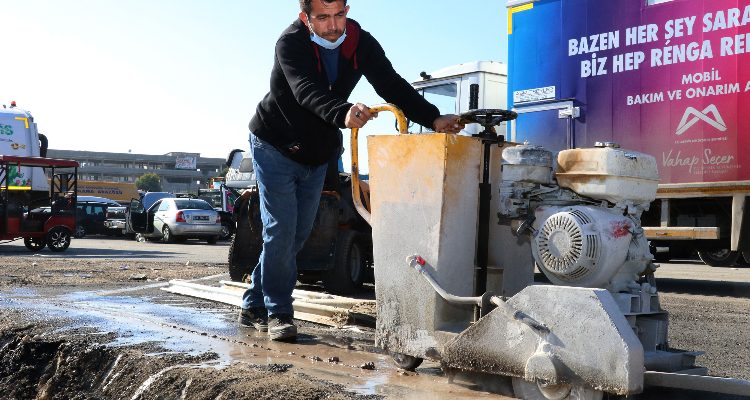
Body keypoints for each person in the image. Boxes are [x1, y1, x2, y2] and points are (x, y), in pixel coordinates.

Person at [239, 0, 465, 341]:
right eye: (323, 17)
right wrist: (342, 112)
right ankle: (278, 312)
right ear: (305, 18)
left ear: (347, 10)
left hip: (316, 153)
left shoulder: (360, 42)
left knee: (297, 234)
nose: (333, 26)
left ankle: (252, 302)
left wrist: (432, 118)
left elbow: (391, 84)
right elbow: (305, 91)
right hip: (274, 146)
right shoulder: (290, 43)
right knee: (281, 230)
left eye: (339, 15)